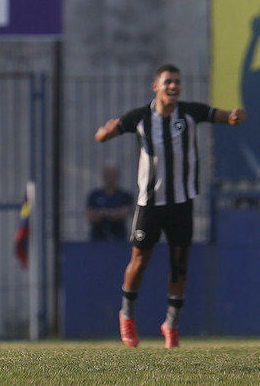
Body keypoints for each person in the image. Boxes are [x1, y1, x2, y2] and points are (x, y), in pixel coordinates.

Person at [94, 64, 246, 348]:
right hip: (149, 204)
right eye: (168, 82)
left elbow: (221, 116)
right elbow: (102, 137)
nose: (173, 86)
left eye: (177, 82)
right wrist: (105, 132)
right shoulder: (140, 118)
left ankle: (171, 326)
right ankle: (126, 315)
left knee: (179, 266)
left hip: (181, 203)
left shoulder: (189, 113)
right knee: (139, 262)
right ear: (156, 86)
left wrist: (235, 117)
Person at [86, 164, 134, 241]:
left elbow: (124, 214)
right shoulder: (94, 195)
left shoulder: (125, 195)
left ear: (117, 176)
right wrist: (113, 213)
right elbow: (90, 217)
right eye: (108, 175)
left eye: (113, 175)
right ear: (103, 176)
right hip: (97, 238)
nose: (110, 178)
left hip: (119, 237)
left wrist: (104, 213)